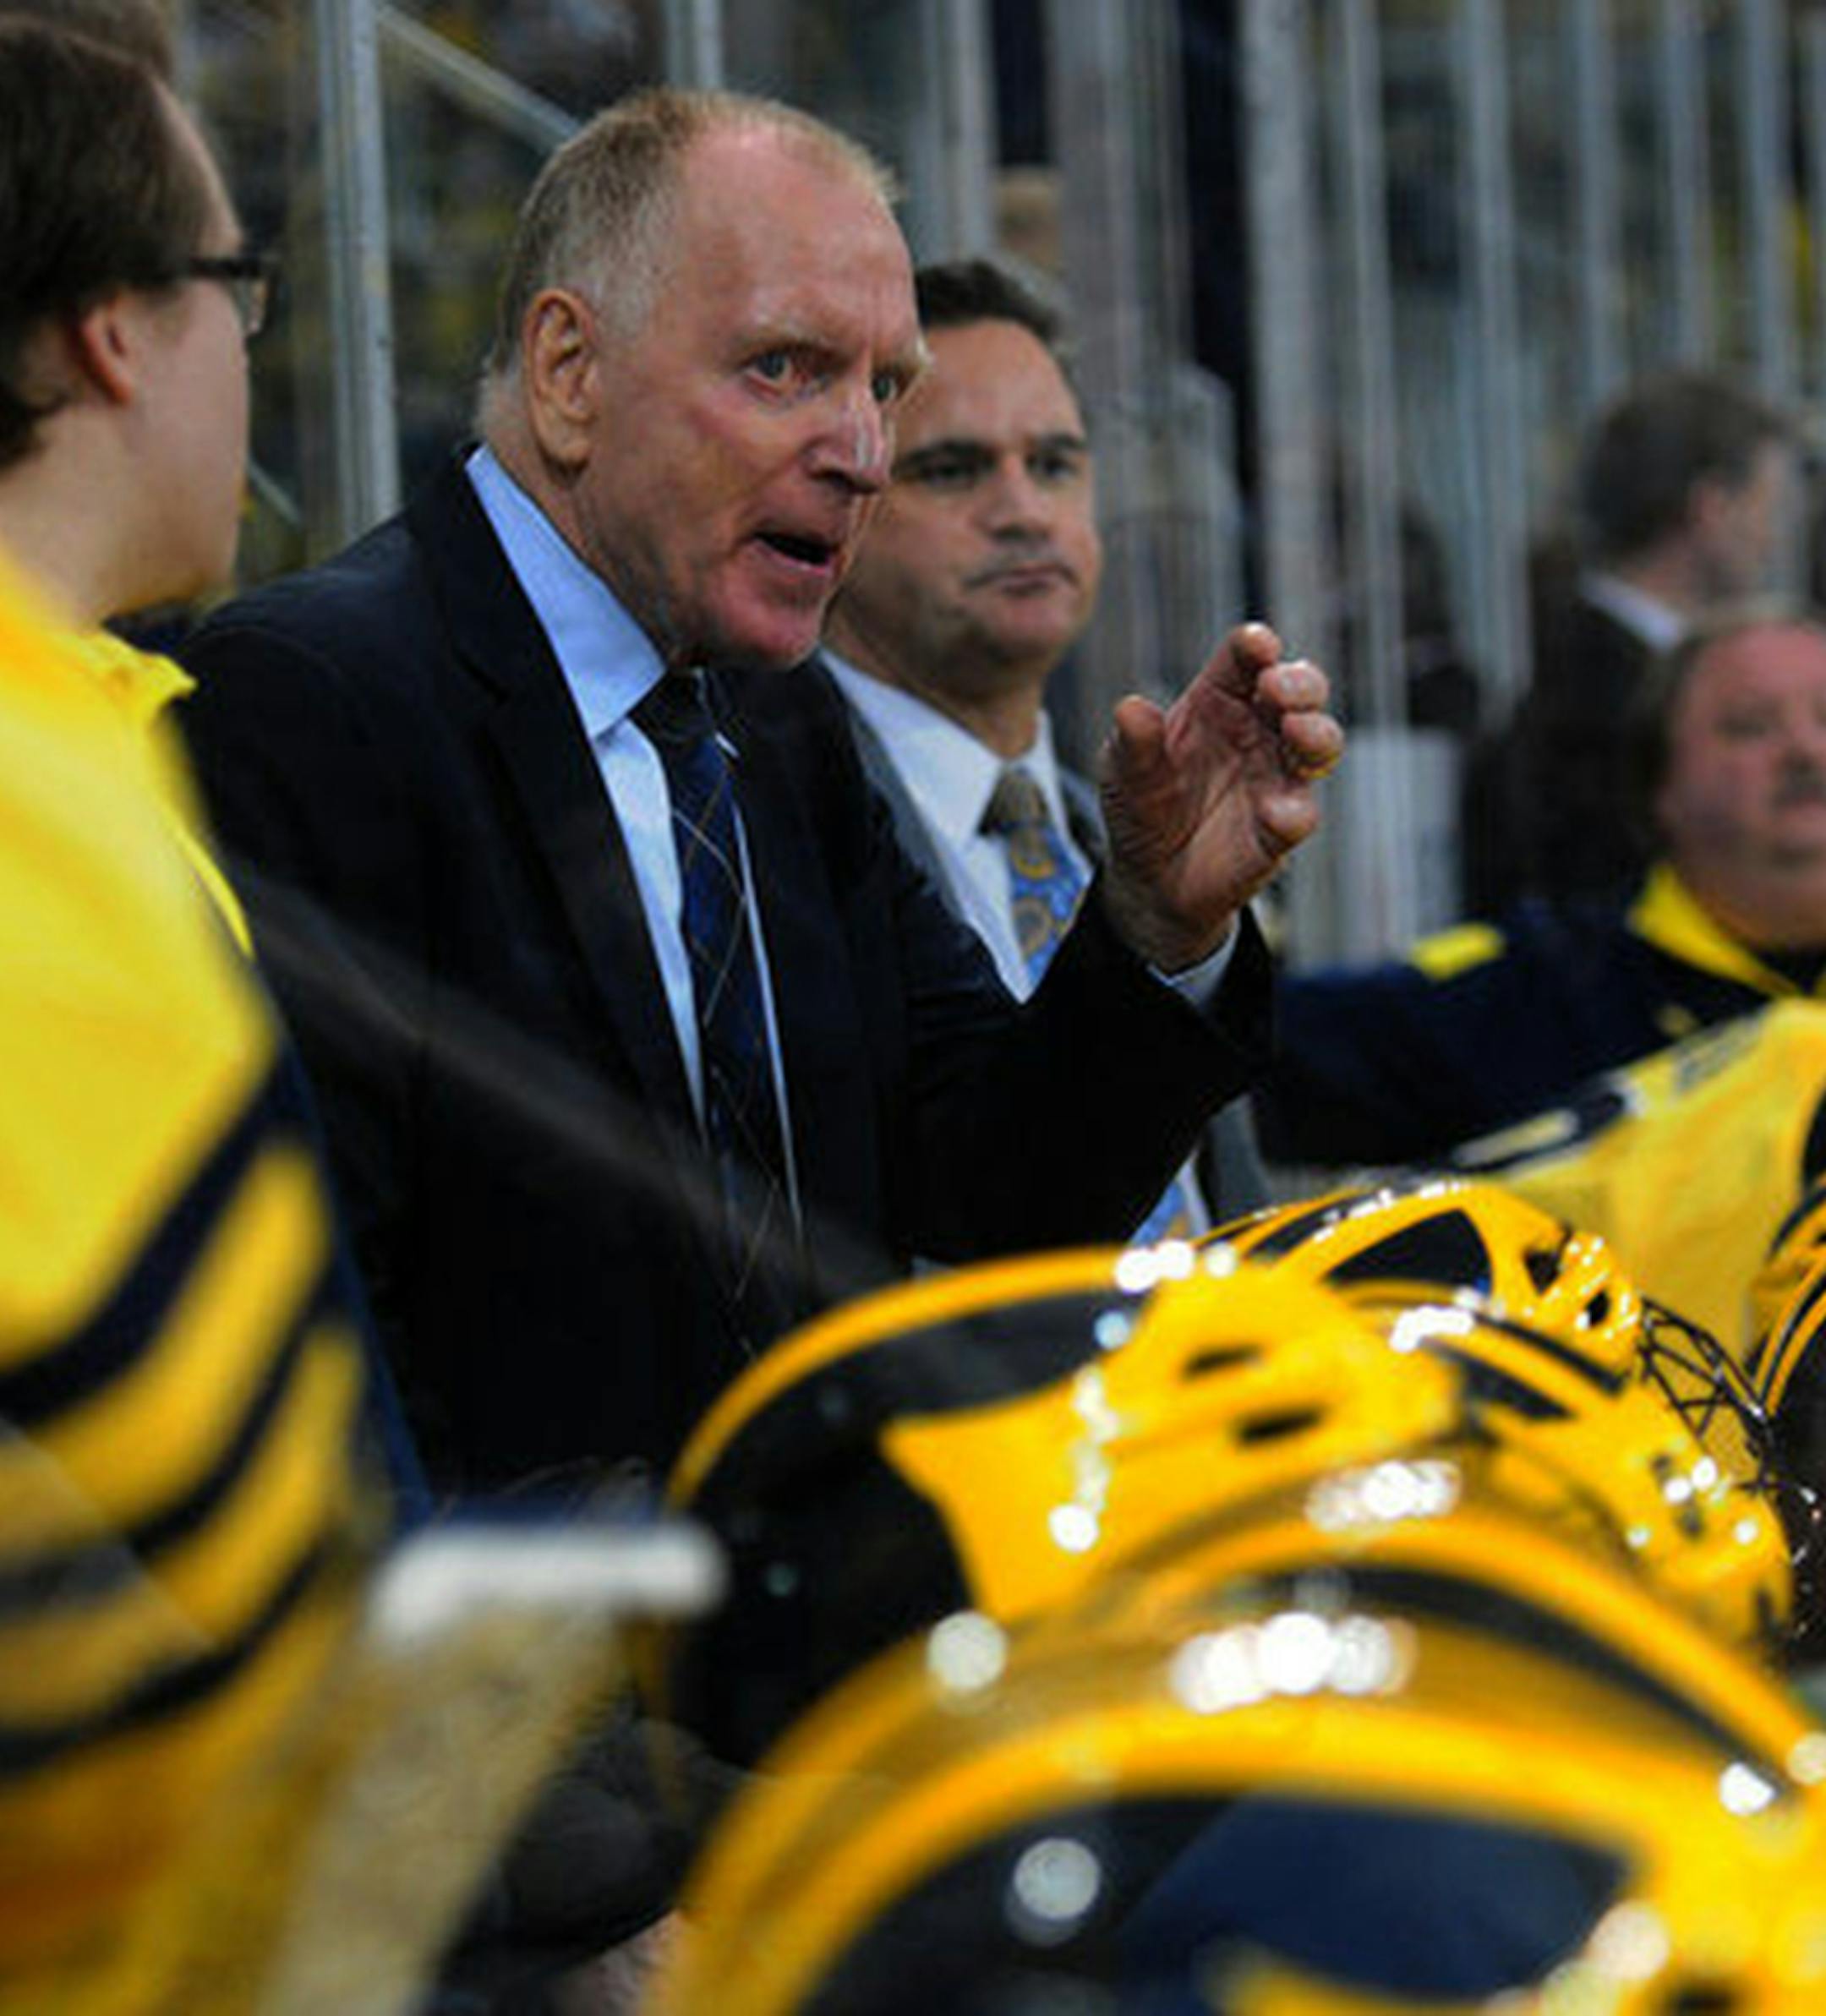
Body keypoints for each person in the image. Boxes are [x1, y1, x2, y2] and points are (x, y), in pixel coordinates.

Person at [178, 87, 1340, 1499]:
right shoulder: (313, 701)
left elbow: (996, 1189)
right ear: (568, 372)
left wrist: (1155, 927)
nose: (863, 452)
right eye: (786, 368)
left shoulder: (779, 720)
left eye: (885, 385)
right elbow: (318, 1367)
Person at [0, 19, 376, 1996]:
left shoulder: (99, 728)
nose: (253, 342)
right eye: (239, 281)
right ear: (113, 337)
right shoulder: (28, 795)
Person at [822, 254, 1267, 1228]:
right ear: (839, 498)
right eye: (953, 469)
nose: (1024, 511)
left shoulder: (1117, 838)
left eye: (1055, 464)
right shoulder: (789, 835)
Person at [1260, 603, 1826, 1168]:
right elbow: (1256, 1054)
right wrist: (1206, 920)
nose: (1807, 751)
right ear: (1660, 784)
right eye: (1750, 726)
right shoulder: (1534, 993)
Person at [1468, 371, 1797, 912]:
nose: (1774, 539)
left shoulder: (1578, 668)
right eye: (1768, 508)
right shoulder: (1603, 705)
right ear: (1712, 507)